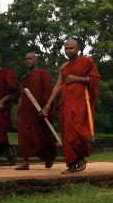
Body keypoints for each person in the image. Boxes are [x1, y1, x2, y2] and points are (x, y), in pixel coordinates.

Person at [42, 39, 100, 174]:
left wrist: (76, 79)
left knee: (79, 130)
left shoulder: (87, 61)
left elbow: (95, 80)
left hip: (81, 103)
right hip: (66, 103)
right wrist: (48, 104)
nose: (68, 51)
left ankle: (80, 158)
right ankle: (72, 163)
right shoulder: (63, 67)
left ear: (78, 49)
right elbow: (58, 85)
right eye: (66, 48)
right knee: (67, 132)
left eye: (71, 48)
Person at [16, 53, 57, 170]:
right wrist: (17, 113)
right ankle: (25, 162)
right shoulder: (25, 77)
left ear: (36, 61)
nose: (28, 61)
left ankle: (49, 157)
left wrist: (46, 108)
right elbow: (21, 96)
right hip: (26, 111)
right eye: (26, 59)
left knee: (43, 136)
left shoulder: (43, 73)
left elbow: (48, 91)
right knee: (23, 136)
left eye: (30, 59)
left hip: (39, 110)